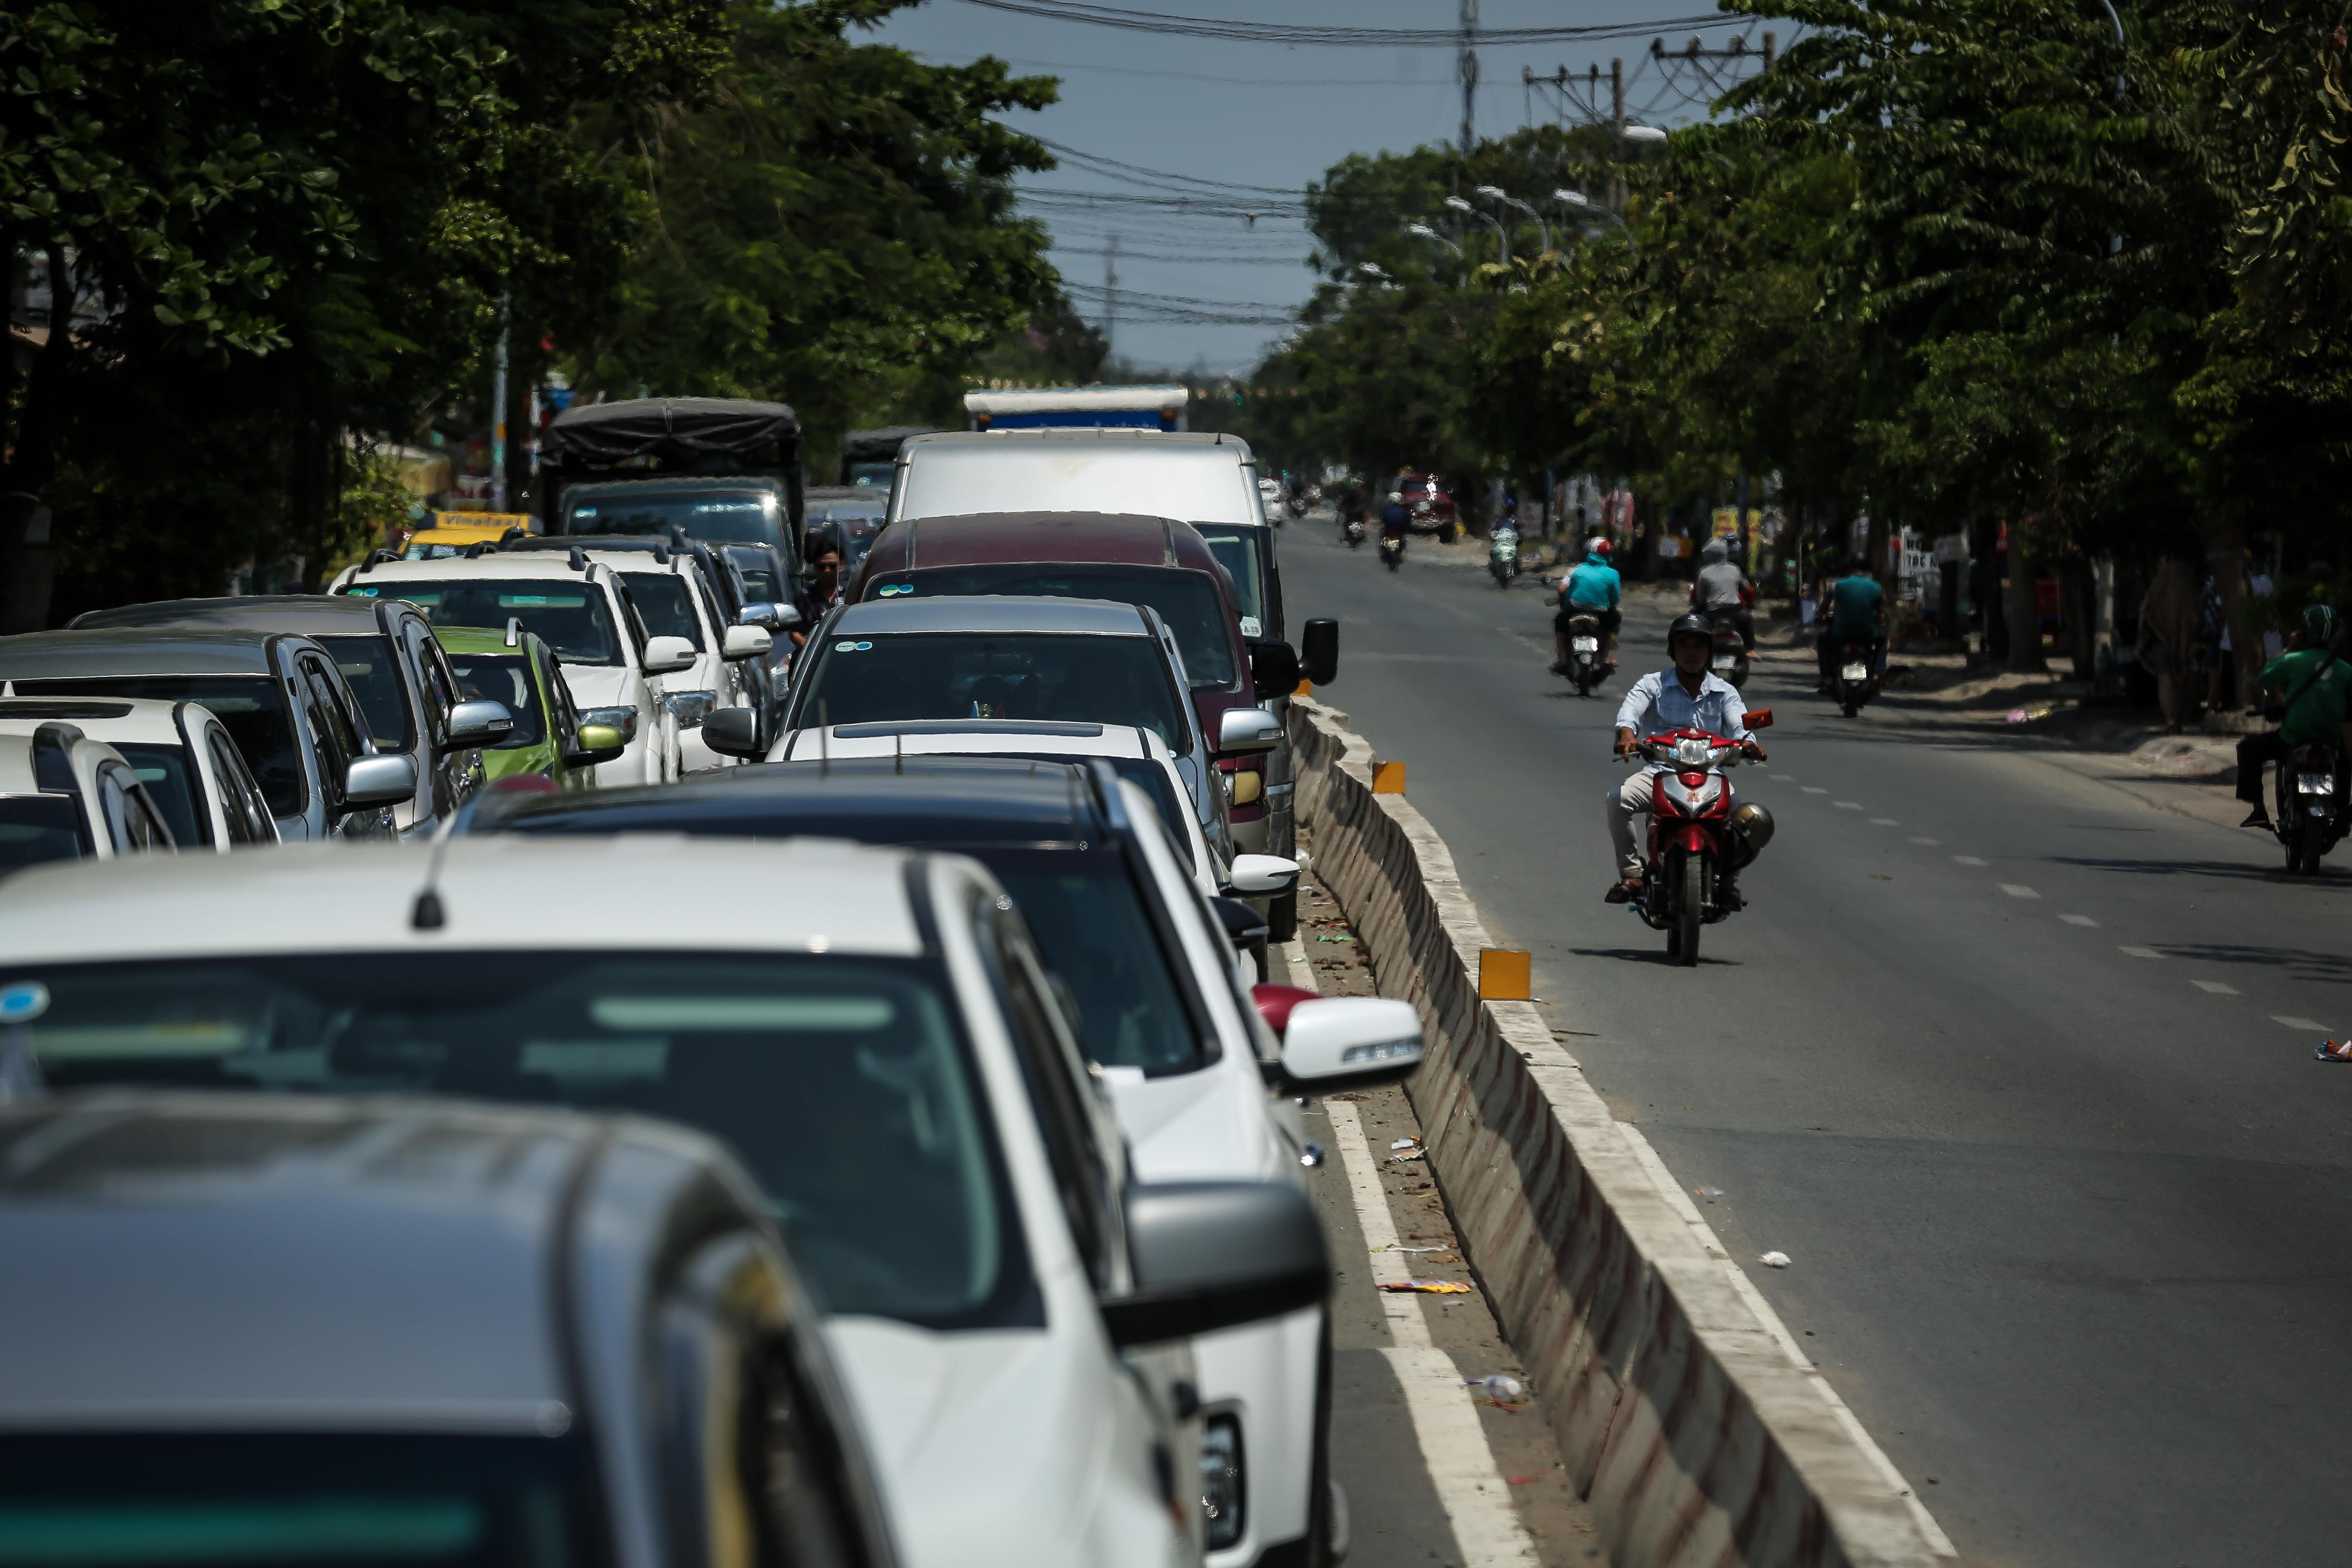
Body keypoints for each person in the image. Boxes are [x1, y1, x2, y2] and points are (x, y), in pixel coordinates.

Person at [1605, 612, 1766, 902]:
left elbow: (1741, 725)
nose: (1692, 653)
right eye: (1684, 646)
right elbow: (1631, 711)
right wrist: (1628, 735)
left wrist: (1749, 744)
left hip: (1711, 775)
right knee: (1619, 799)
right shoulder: (1653, 684)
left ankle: (1728, 880)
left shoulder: (1725, 691)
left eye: (1699, 646)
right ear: (1673, 651)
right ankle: (1631, 874)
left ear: (1709, 652)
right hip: (1659, 771)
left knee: (1742, 816)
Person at [2236, 605, 2347, 829]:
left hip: (2293, 738)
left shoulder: (2293, 661)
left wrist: (2288, 648)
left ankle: (2259, 809)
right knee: (2344, 764)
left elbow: (2266, 678)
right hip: (2331, 740)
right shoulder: (2346, 670)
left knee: (2247, 748)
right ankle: (2343, 813)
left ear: (2305, 632)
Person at [2136, 552, 2201, 735]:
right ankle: (2177, 722)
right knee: (2180, 680)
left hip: (2160, 639)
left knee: (2165, 681)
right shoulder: (2187, 583)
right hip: (2183, 642)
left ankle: (2170, 722)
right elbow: (2195, 616)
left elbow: (2147, 610)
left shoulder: (2160, 582)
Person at [1815, 554, 1886, 692]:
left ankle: (1827, 678)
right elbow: (1880, 612)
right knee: (1882, 641)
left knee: (1822, 641)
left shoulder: (1838, 585)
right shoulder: (1876, 587)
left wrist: (1820, 617)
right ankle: (1877, 674)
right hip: (1868, 633)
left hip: (1841, 633)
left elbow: (1824, 608)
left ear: (1850, 567)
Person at [1550, 539, 1621, 672]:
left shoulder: (1577, 571)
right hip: (1601, 612)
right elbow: (1615, 598)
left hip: (1575, 609)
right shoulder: (1613, 574)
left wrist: (1566, 608)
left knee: (1560, 623)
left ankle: (1563, 659)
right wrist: (1613, 609)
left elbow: (1565, 592)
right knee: (1614, 622)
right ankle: (1606, 655)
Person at [1691, 537, 1754, 652]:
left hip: (1713, 614)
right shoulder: (1734, 569)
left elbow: (1700, 600)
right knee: (1748, 619)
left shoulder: (1704, 573)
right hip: (1736, 612)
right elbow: (1746, 588)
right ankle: (1750, 650)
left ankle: (1699, 650)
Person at [790, 532, 844, 652]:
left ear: (841, 565)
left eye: (832, 566)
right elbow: (795, 633)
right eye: (822, 567)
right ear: (815, 567)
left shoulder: (853, 591)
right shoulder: (805, 597)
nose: (827, 571)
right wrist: (812, 650)